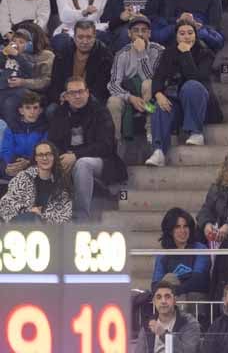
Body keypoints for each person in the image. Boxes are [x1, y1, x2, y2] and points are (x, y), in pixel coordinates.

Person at [47, 76, 126, 219]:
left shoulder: (100, 112)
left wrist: (76, 155)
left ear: (87, 92)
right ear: (66, 96)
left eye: (80, 91)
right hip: (68, 160)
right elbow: (53, 142)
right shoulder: (59, 113)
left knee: (82, 164)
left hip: (103, 161)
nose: (77, 96)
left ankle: (81, 218)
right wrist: (61, 159)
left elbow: (106, 146)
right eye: (72, 93)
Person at [144, 18, 216, 166]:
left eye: (190, 33)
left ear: (196, 35)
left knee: (191, 86)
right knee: (159, 106)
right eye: (182, 33)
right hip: (176, 102)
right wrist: (158, 94)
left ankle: (196, 132)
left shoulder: (206, 53)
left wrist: (186, 54)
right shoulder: (168, 53)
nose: (186, 36)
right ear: (176, 36)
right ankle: (158, 151)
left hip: (198, 103)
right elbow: (158, 76)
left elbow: (196, 78)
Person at [0, 140, 72, 223]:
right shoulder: (23, 178)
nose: (45, 158)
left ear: (54, 157)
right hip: (21, 226)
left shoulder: (61, 183)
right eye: (40, 155)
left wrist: (40, 215)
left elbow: (65, 215)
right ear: (36, 158)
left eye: (48, 154)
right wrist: (29, 211)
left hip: (49, 230)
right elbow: (6, 205)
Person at [152, 208, 211, 300]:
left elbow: (199, 280)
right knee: (170, 278)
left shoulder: (200, 248)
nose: (182, 231)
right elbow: (155, 284)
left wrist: (175, 291)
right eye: (177, 227)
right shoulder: (164, 254)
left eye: (185, 226)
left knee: (189, 294)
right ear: (170, 230)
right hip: (172, 298)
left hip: (195, 297)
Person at [135, 280, 201, 353]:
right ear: (154, 301)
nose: (163, 301)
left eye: (167, 297)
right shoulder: (148, 324)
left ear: (175, 300)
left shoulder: (188, 322)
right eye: (159, 297)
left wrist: (163, 334)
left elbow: (189, 351)